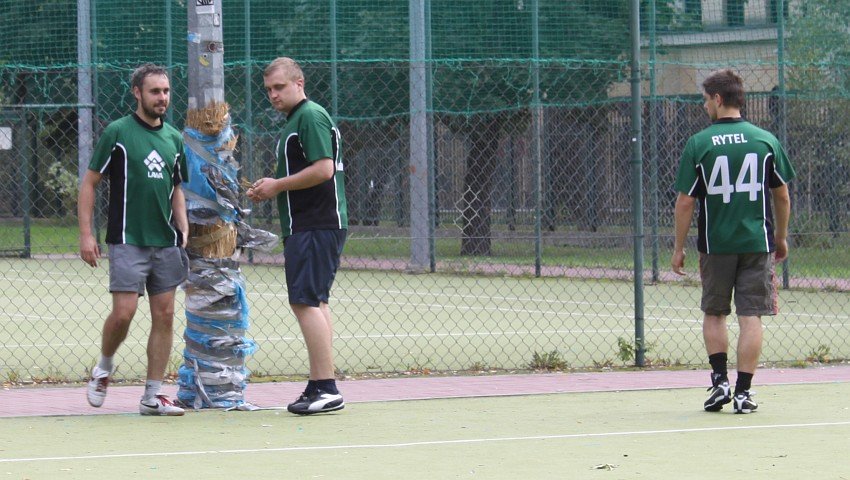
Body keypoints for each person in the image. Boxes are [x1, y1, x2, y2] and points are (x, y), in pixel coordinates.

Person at [671, 69, 795, 414]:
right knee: (751, 315)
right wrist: (781, 237)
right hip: (756, 243)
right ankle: (743, 393)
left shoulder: (699, 143)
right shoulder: (765, 140)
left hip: (716, 245)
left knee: (715, 312)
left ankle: (719, 383)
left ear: (718, 99)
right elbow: (782, 195)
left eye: (705, 100)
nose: (704, 106)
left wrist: (679, 247)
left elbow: (685, 201)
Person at [78, 63, 189, 416]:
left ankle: (152, 396)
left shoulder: (174, 138)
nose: (162, 98)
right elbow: (89, 183)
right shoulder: (118, 132)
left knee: (166, 315)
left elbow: (176, 187)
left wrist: (183, 226)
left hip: (166, 242)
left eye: (166, 91)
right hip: (127, 239)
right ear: (137, 93)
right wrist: (86, 234)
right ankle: (104, 367)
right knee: (124, 313)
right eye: (155, 91)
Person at [247, 57, 348, 415]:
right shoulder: (296, 120)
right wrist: (271, 187)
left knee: (304, 301)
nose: (273, 94)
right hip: (309, 224)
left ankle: (326, 387)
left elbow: (323, 169)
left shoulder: (310, 116)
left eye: (280, 87)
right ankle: (321, 383)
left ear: (299, 83)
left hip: (316, 223)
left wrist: (276, 186)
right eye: (269, 90)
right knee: (315, 302)